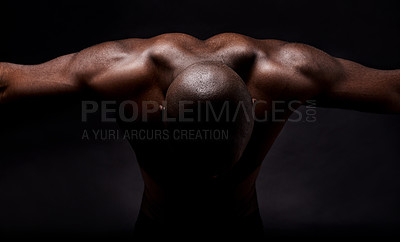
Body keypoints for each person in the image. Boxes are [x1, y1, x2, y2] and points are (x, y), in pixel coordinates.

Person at [0, 33, 399, 240]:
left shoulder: (287, 72)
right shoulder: (121, 70)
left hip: (241, 227)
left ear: (251, 113)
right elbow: (9, 83)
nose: (208, 180)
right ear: (165, 120)